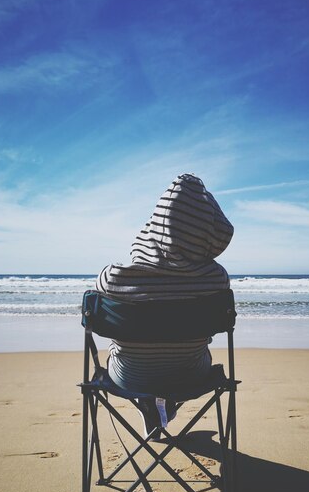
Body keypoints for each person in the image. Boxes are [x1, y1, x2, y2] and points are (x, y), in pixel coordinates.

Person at [95, 173, 234, 438]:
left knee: (122, 351)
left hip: (128, 377)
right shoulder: (216, 281)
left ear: (155, 225)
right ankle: (166, 403)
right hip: (191, 378)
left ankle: (149, 403)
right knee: (191, 353)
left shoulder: (113, 278)